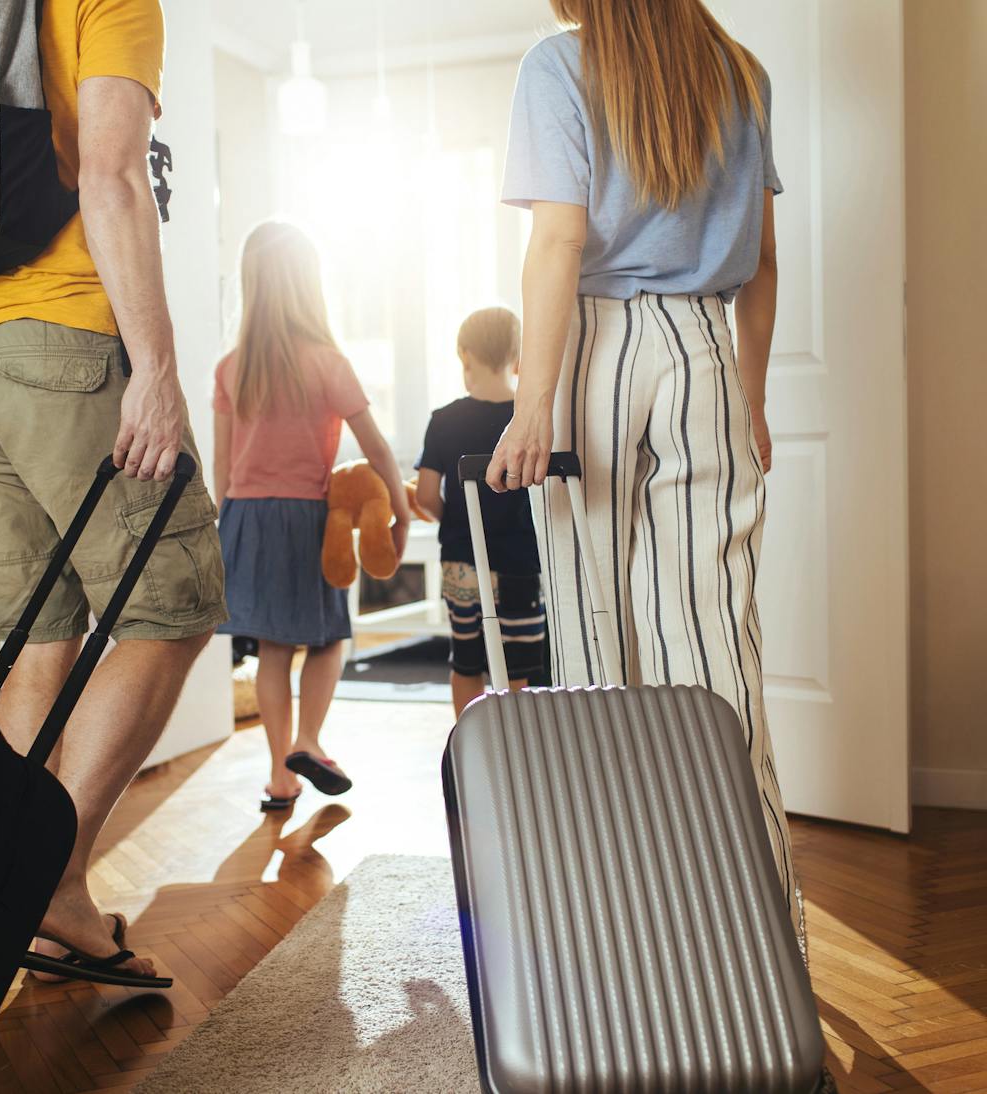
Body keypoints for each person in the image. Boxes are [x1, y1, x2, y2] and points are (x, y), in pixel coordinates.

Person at [487, 0, 804, 949]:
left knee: (596, 650)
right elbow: (766, 263)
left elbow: (558, 242)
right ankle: (763, 946)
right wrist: (749, 398)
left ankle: (626, 939)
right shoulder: (742, 72)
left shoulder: (558, 66)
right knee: (715, 653)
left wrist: (533, 400)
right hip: (707, 345)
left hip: (596, 353)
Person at [0, 0, 227, 988]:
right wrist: (156, 365)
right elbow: (108, 172)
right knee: (174, 598)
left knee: (33, 629)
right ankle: (50, 881)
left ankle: (19, 892)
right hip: (63, 339)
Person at [212, 222, 410, 812]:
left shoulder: (230, 368)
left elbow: (221, 472)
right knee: (328, 639)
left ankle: (280, 778)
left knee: (273, 650)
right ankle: (309, 740)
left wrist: (226, 536)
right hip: (307, 520)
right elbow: (374, 446)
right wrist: (398, 503)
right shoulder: (327, 362)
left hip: (246, 518)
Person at [415, 307, 547, 715]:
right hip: (518, 563)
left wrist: (451, 519)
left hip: (462, 561)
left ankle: (470, 742)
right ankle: (519, 743)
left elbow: (423, 495)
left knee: (466, 660)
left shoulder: (443, 420)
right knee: (518, 668)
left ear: (464, 356)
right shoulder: (527, 422)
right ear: (519, 359)